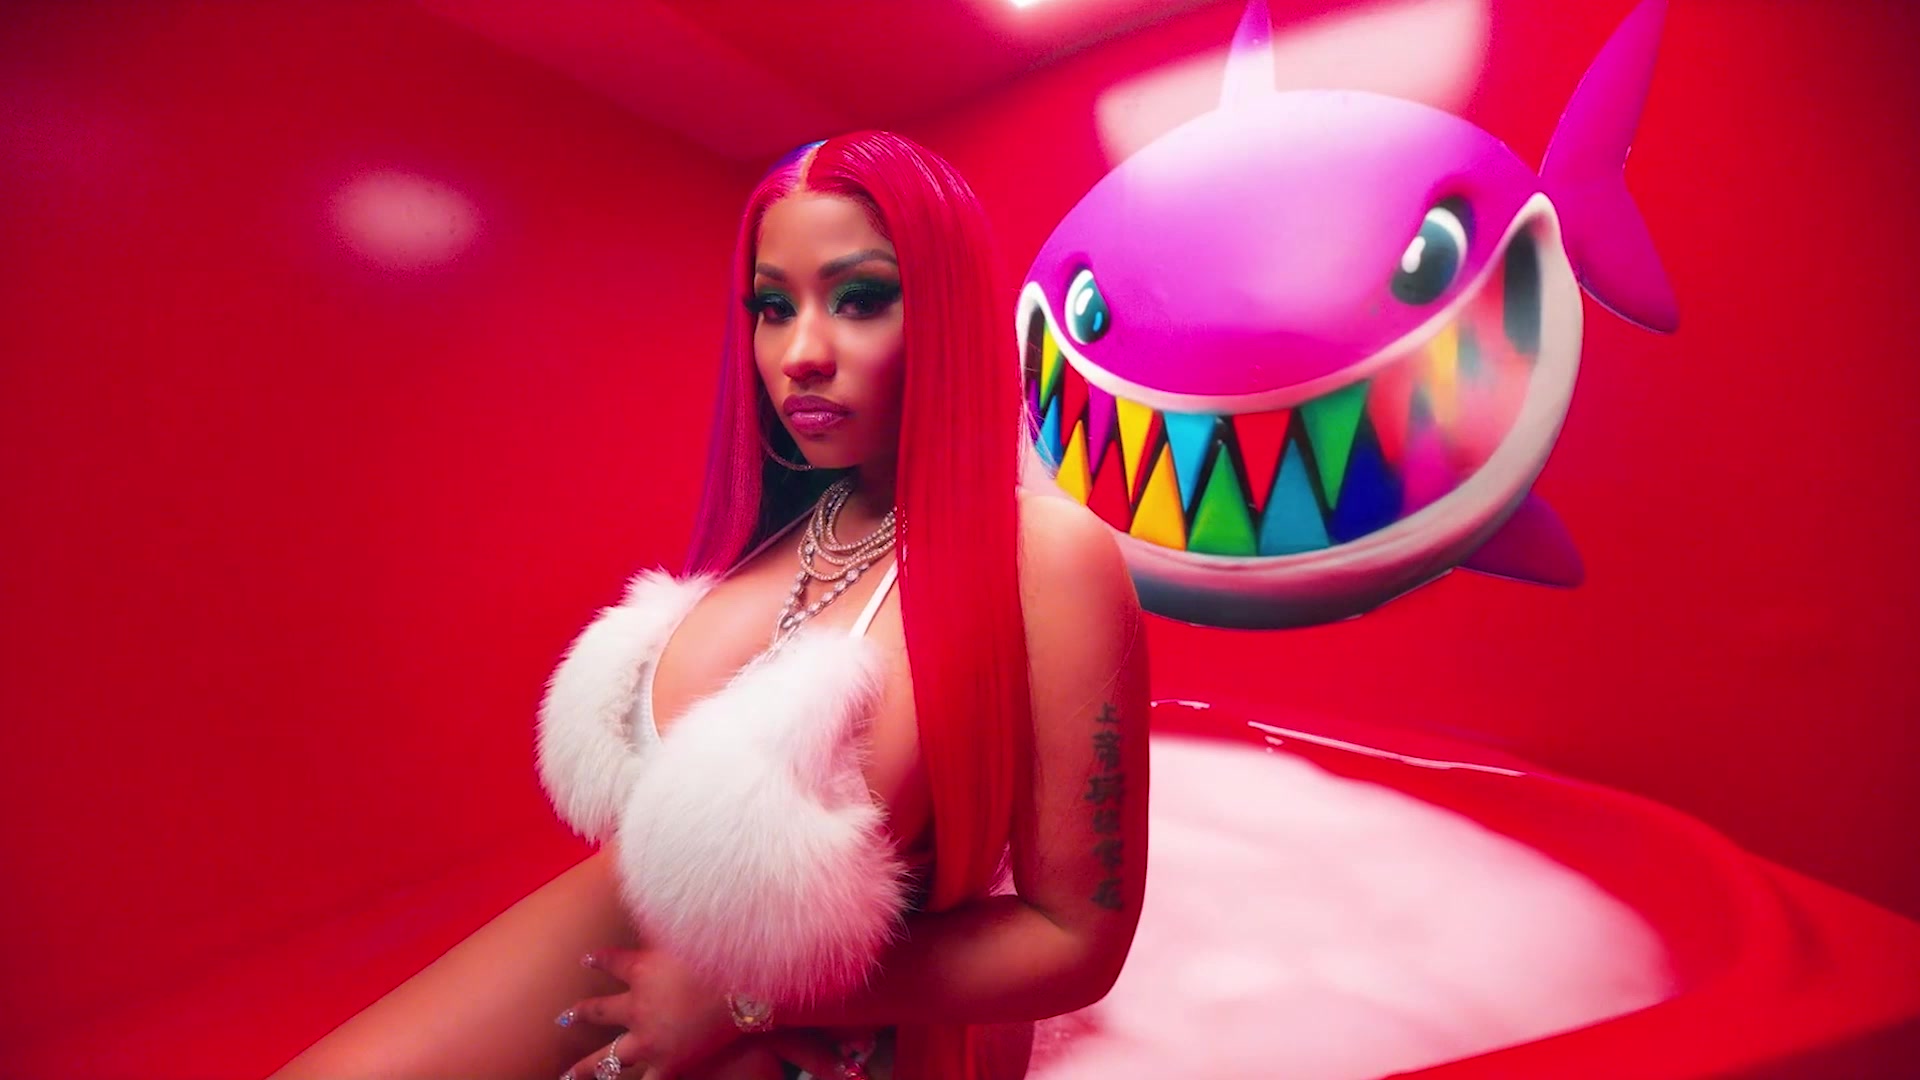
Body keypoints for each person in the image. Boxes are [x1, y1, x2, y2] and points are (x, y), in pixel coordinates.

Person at [269, 130, 1148, 1080]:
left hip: (847, 1031)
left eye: (859, 298)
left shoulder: (1043, 555)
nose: (800, 354)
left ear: (947, 309)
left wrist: (743, 998)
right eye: (774, 307)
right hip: (626, 943)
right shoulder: (779, 531)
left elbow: (1074, 939)